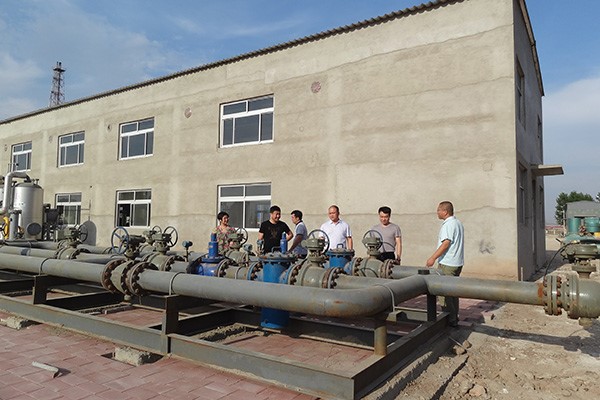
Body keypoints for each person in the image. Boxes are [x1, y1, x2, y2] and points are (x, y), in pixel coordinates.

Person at [426, 201, 464, 327]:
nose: (437, 212)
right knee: (453, 293)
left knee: (443, 293)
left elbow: (446, 243)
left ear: (445, 212)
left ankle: (449, 320)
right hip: (457, 262)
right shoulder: (458, 223)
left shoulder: (448, 225)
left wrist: (433, 258)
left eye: (439, 210)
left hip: (448, 263)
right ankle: (454, 317)